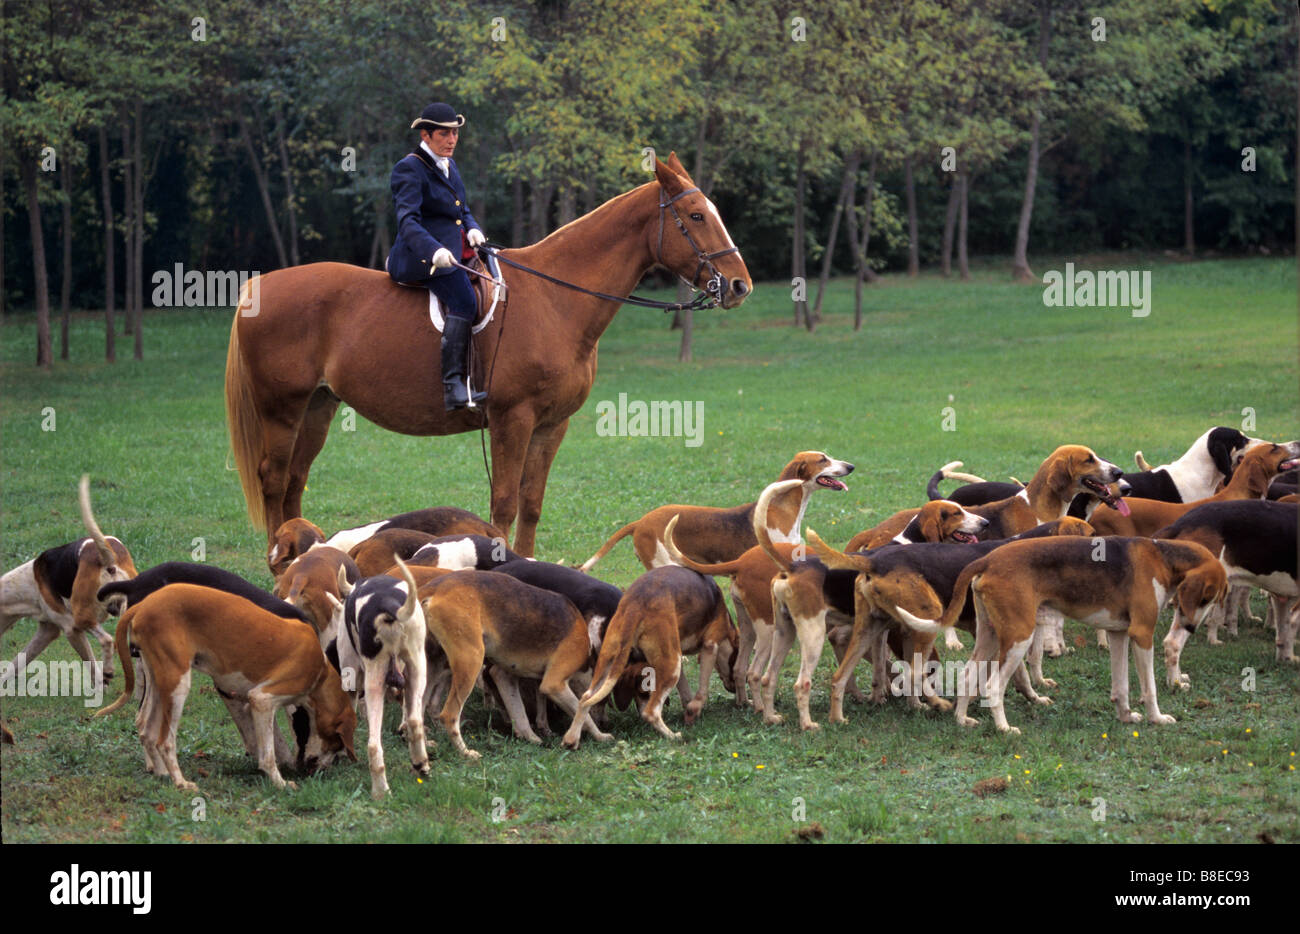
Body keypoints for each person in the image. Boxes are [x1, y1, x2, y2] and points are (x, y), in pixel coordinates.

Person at [387, 102, 487, 412]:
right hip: (420, 256)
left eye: (455, 133)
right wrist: (434, 251)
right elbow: (408, 222)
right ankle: (453, 386)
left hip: (455, 248)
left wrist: (472, 228)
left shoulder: (448, 164)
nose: (452, 140)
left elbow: (462, 210)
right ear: (426, 135)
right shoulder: (409, 168)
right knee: (465, 301)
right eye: (444, 134)